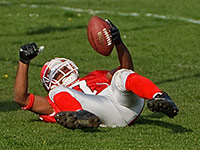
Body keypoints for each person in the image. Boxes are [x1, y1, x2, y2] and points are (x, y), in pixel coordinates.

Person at [14, 19, 179, 129]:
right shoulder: (56, 98)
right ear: (49, 82)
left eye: (63, 67)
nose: (63, 71)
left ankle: (159, 96)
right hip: (100, 113)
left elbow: (128, 69)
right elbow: (21, 99)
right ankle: (81, 117)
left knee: (121, 75)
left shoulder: (94, 75)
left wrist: (118, 43)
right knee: (57, 93)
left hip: (126, 104)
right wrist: (24, 61)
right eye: (56, 73)